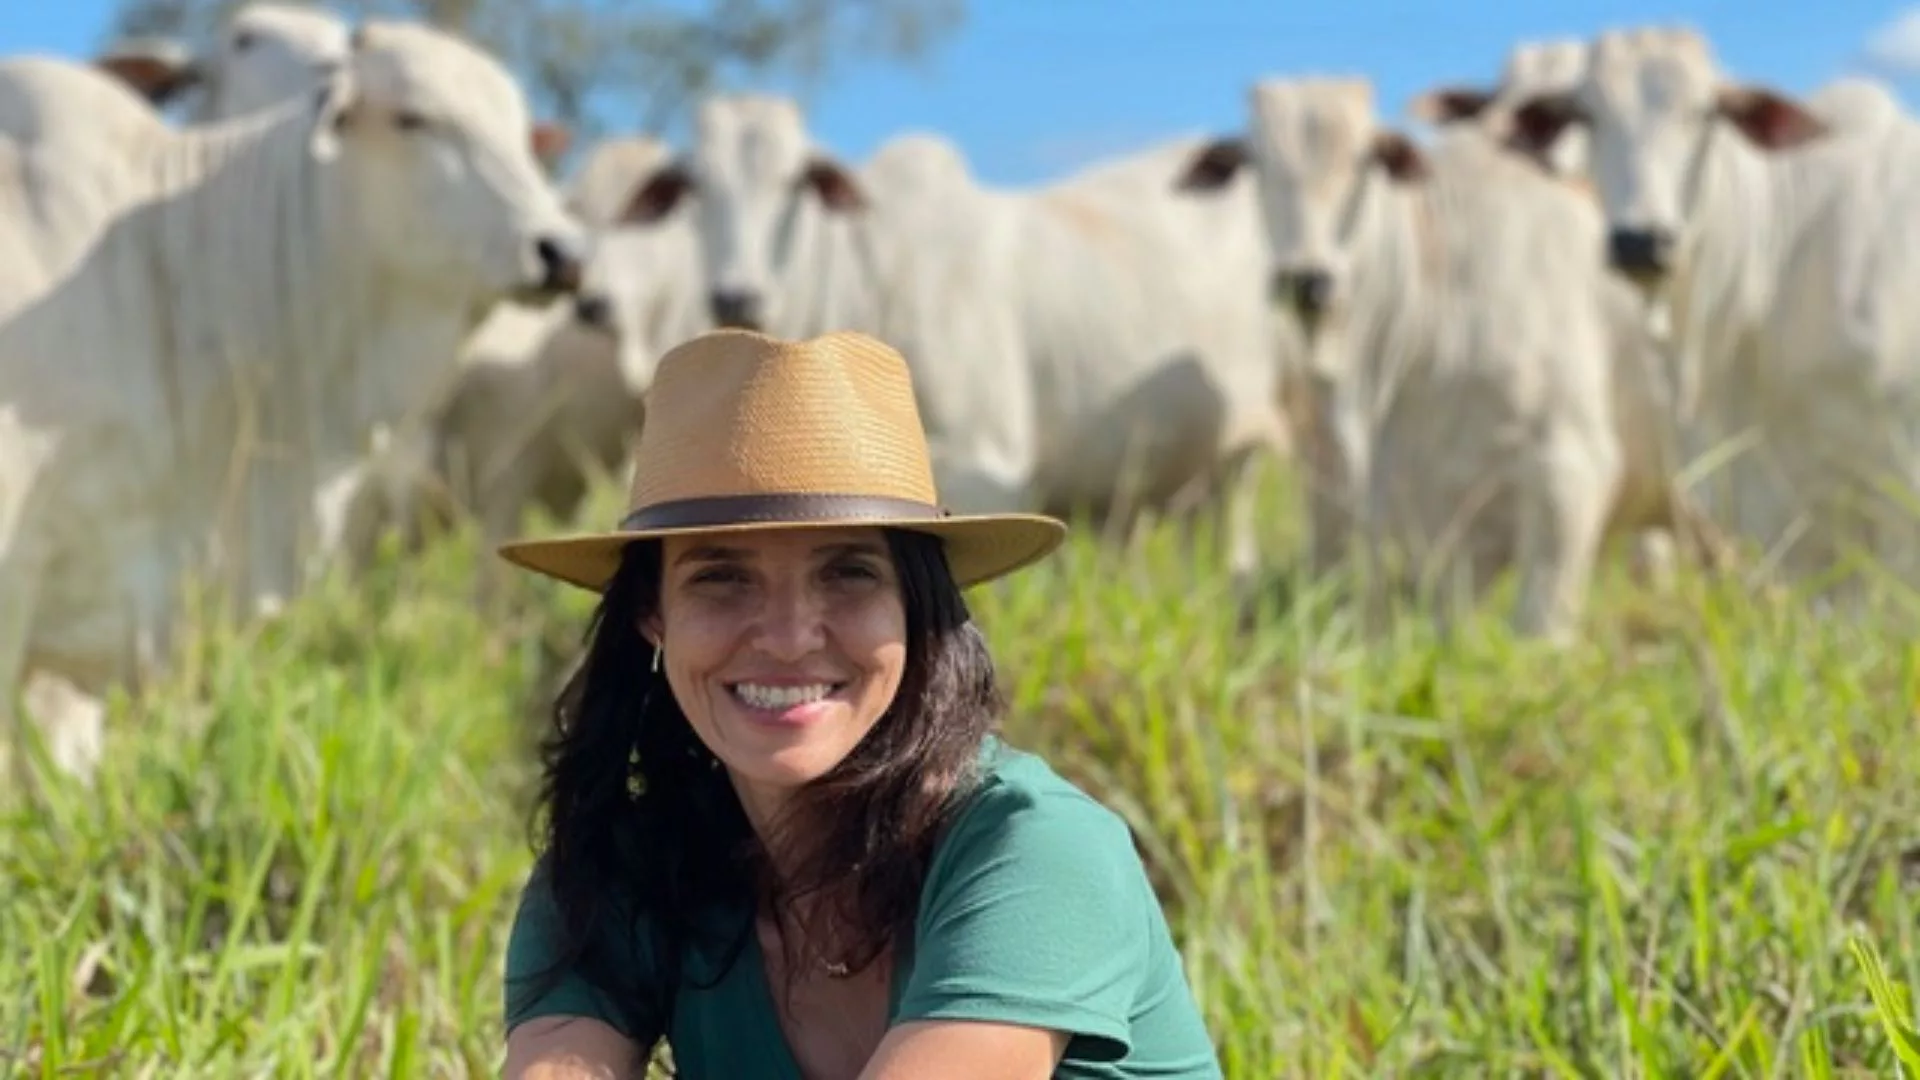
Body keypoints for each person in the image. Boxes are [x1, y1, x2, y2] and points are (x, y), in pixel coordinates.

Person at [495, 328, 1224, 1080]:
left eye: (847, 573)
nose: (786, 637)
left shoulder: (1034, 849)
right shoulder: (614, 872)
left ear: (915, 605)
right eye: (722, 577)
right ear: (653, 614)